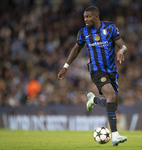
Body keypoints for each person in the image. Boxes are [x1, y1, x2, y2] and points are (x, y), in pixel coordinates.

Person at [57, 6, 127, 146]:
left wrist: (122, 51)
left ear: (96, 17)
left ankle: (94, 100)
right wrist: (66, 66)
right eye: (84, 17)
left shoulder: (110, 28)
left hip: (112, 71)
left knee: (113, 105)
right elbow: (76, 48)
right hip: (97, 71)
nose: (85, 20)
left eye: (88, 17)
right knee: (111, 97)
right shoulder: (83, 33)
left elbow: (122, 45)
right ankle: (115, 135)